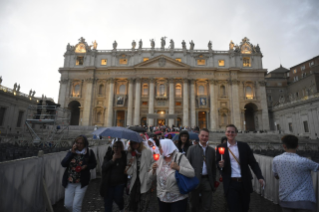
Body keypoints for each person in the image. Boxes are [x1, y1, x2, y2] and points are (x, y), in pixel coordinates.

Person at [216, 124, 265, 212]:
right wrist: (220, 166)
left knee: (245, 208)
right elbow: (217, 163)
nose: (230, 133)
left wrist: (260, 176)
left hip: (244, 182)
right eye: (228, 132)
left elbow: (253, 163)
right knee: (234, 208)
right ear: (225, 133)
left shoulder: (244, 146)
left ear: (236, 134)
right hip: (231, 183)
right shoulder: (220, 147)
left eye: (232, 132)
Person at [272, 135, 319, 212]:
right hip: (304, 200)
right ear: (297, 146)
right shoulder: (304, 161)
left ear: (284, 146)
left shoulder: (276, 160)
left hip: (285, 199)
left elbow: (276, 176)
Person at [150, 139, 195, 212]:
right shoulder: (161, 158)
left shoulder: (180, 157)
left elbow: (192, 173)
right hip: (162, 197)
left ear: (166, 147)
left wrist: (178, 168)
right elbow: (152, 177)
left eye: (161, 147)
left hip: (177, 198)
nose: (159, 149)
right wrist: (153, 170)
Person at [61, 135, 97, 212]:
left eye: (81, 143)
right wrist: (71, 153)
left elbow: (94, 164)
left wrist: (86, 166)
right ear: (75, 143)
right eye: (77, 143)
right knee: (67, 205)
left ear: (85, 144)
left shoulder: (89, 152)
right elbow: (63, 164)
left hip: (81, 183)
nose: (79, 145)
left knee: (76, 205)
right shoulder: (71, 152)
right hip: (70, 181)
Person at [187, 128, 216, 212]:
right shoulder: (191, 149)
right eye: (202, 135)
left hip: (207, 180)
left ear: (208, 137)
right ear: (199, 136)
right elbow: (187, 165)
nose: (204, 138)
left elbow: (213, 167)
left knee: (207, 205)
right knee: (193, 204)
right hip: (194, 180)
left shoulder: (211, 151)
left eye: (206, 136)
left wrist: (213, 180)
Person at [125, 140, 154, 212]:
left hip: (144, 179)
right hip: (135, 181)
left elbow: (152, 163)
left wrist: (149, 173)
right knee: (133, 203)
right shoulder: (130, 153)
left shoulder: (147, 151)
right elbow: (129, 171)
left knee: (143, 204)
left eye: (135, 143)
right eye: (132, 143)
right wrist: (130, 163)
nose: (134, 145)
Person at [100, 139, 127, 212]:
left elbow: (127, 168)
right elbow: (104, 167)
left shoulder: (124, 156)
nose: (116, 148)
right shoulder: (109, 155)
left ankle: (121, 207)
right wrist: (112, 160)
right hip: (108, 183)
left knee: (118, 198)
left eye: (118, 147)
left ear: (121, 148)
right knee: (108, 203)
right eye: (115, 146)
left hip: (120, 183)